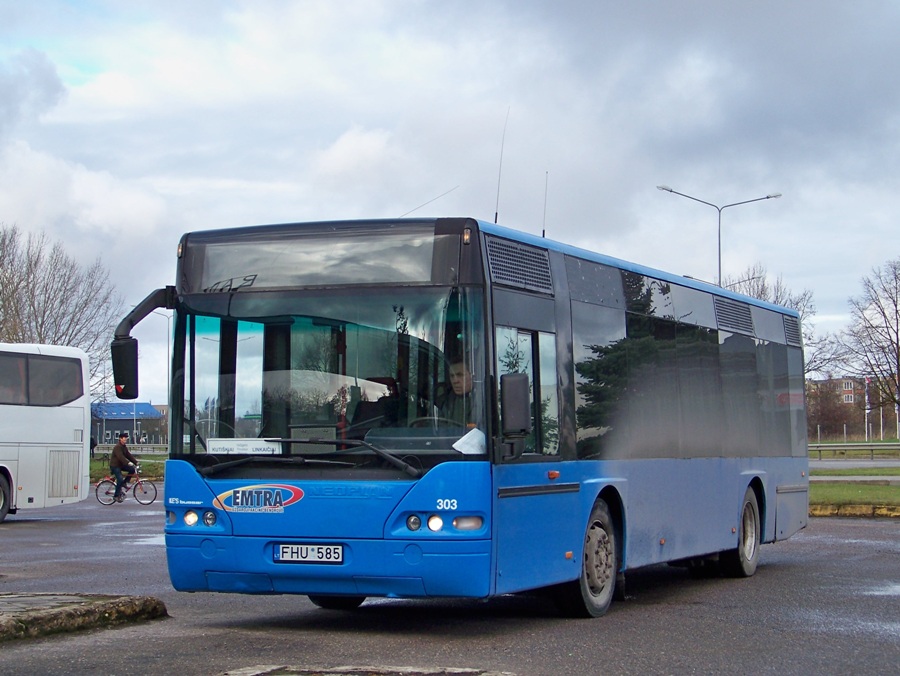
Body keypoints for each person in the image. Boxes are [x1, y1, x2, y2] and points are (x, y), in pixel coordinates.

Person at [438, 359, 474, 425]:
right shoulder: (444, 402)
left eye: (460, 375)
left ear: (471, 376)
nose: (455, 381)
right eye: (452, 376)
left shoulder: (482, 401)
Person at [110, 432, 138, 503]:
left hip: (121, 465)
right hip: (115, 466)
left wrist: (136, 462)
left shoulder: (124, 446)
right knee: (119, 479)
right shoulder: (117, 447)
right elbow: (120, 457)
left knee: (132, 469)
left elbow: (128, 455)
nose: (126, 439)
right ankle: (116, 496)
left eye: (126, 438)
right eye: (124, 438)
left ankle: (124, 483)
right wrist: (128, 463)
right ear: (120, 439)